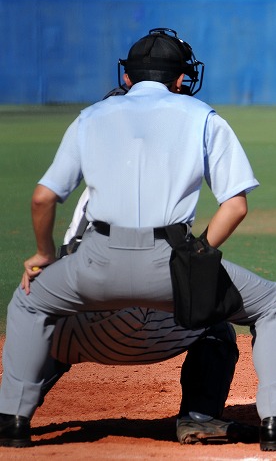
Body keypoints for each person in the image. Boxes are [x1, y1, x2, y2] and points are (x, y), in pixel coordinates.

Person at [0, 28, 276, 451]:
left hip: (86, 298)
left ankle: (12, 417)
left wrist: (44, 255)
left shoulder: (90, 118)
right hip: (166, 292)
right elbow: (236, 205)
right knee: (272, 306)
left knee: (30, 302)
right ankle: (271, 420)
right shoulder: (202, 116)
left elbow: (44, 197)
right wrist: (198, 255)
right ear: (180, 80)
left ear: (127, 79)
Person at [47, 187, 256, 445]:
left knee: (45, 329)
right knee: (214, 324)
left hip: (69, 321)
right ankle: (198, 417)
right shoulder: (159, 189)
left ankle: (11, 414)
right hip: (127, 325)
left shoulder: (95, 186)